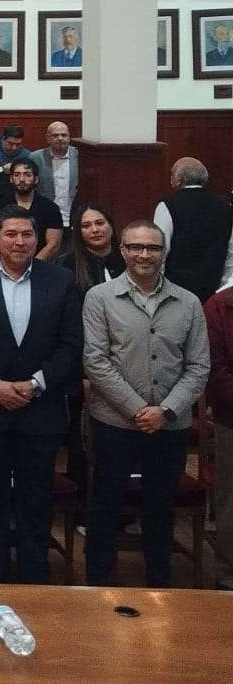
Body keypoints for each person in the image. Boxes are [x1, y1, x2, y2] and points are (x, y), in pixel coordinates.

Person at [0, 208, 82, 584]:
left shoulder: (60, 280)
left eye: (27, 234)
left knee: (36, 498)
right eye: (10, 234)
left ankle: (34, 577)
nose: (19, 242)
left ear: (38, 240)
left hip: (40, 409)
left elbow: (71, 345)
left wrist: (36, 383)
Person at [83, 220, 210, 587]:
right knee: (106, 503)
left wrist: (165, 411)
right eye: (136, 247)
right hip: (115, 422)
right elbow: (95, 361)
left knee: (161, 506)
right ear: (123, 250)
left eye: (153, 248)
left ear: (164, 253)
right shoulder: (100, 298)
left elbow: (199, 366)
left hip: (170, 424)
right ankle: (97, 584)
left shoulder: (188, 302)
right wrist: (138, 409)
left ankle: (159, 585)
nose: (144, 254)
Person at [151, 157, 233, 302]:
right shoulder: (224, 207)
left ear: (178, 179)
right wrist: (223, 287)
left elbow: (159, 249)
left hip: (175, 291)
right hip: (212, 290)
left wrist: (157, 289)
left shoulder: (168, 205)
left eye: (171, 175)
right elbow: (231, 252)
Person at [204, 277, 233, 591]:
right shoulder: (219, 306)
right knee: (231, 506)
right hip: (232, 421)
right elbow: (215, 372)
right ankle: (228, 580)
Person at [3, 160, 64, 261]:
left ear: (36, 179)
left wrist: (33, 265)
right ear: (11, 179)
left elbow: (53, 244)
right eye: (17, 175)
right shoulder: (0, 206)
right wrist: (9, 263)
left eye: (27, 175)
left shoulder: (50, 208)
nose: (21, 179)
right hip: (7, 262)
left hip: (40, 264)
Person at [30, 121, 79, 228]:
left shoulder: (80, 156)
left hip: (74, 218)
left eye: (64, 135)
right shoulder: (35, 158)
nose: (60, 138)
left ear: (69, 137)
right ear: (48, 138)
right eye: (55, 135)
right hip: (45, 218)